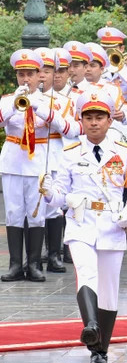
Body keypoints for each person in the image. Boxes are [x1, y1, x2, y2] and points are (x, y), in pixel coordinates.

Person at [40, 89, 127, 363]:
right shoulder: (70, 153)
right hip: (81, 224)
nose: (94, 122)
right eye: (88, 117)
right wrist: (50, 193)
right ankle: (90, 326)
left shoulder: (123, 153)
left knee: (109, 290)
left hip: (112, 225)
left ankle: (101, 350)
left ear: (110, 120)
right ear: (81, 120)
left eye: (100, 117)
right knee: (86, 274)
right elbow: (61, 194)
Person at [0, 49, 80, 282]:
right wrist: (16, 104)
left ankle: (34, 264)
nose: (26, 79)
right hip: (14, 161)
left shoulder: (53, 101)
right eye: (21, 74)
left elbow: (69, 129)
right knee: (14, 214)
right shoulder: (7, 100)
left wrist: (40, 108)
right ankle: (16, 264)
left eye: (30, 74)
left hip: (39, 162)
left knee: (36, 215)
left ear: (39, 76)